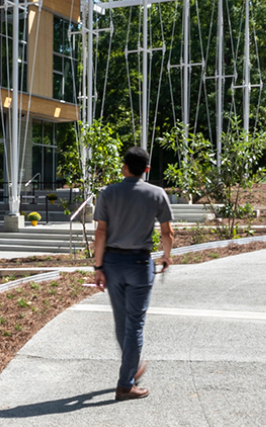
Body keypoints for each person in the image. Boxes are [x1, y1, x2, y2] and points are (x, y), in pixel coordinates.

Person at [91, 146, 175, 401]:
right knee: (135, 325)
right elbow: (167, 232)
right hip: (140, 263)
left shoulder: (107, 193)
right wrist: (167, 256)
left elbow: (100, 233)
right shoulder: (157, 194)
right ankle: (126, 384)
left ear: (124, 166)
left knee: (121, 321)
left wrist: (98, 267)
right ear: (146, 169)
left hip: (113, 262)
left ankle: (131, 367)